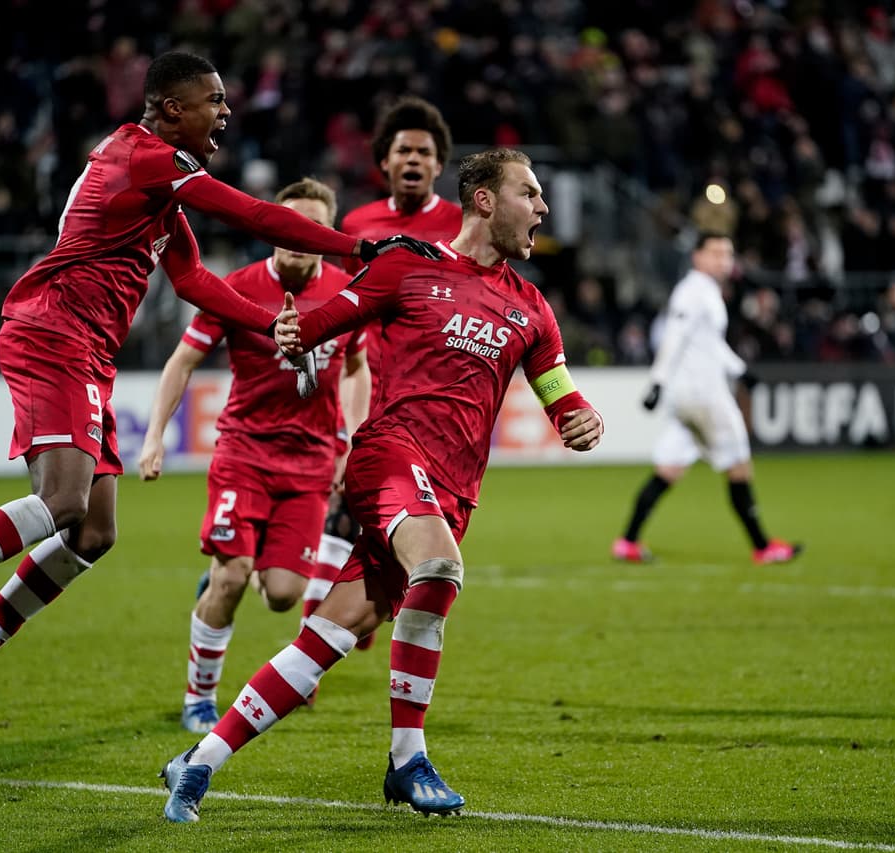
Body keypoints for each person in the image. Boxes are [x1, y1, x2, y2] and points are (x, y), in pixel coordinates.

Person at [0, 51, 437, 757]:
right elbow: (251, 213)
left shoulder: (162, 186)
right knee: (63, 502)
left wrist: (276, 325)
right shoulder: (148, 159)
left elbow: (191, 279)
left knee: (93, 533)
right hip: (53, 331)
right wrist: (358, 246)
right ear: (168, 108)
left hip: (89, 352)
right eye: (212, 101)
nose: (225, 113)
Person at [160, 148, 605, 823]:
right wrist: (286, 325)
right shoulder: (407, 267)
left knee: (330, 634)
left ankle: (200, 761)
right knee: (439, 566)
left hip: (452, 492)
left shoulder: (533, 309)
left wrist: (582, 418)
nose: (542, 206)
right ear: (483, 199)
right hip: (391, 458)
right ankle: (408, 758)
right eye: (529, 192)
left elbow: (559, 394)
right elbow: (315, 325)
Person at [136, 177, 370, 735]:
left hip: (312, 464)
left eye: (309, 227)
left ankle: (228, 568)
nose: (296, 237)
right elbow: (182, 363)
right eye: (286, 225)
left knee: (285, 597)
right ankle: (200, 698)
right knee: (234, 577)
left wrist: (352, 440)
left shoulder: (347, 289)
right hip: (244, 453)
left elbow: (359, 367)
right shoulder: (238, 288)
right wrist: (153, 437)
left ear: (325, 234)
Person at [323, 96, 463, 649]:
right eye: (402, 149)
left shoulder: (457, 224)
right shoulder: (358, 226)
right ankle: (325, 627)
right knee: (345, 510)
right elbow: (342, 305)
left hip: (428, 400)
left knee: (414, 533)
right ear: (384, 161)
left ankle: (350, 616)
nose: (412, 159)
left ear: (437, 165)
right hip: (369, 392)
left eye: (423, 152)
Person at [612, 232, 802, 565]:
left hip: (687, 399)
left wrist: (740, 370)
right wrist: (656, 382)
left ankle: (627, 542)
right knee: (739, 465)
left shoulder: (706, 292)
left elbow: (709, 343)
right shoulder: (693, 292)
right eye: (714, 253)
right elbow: (675, 336)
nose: (722, 260)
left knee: (668, 468)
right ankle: (763, 547)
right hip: (704, 396)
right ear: (697, 257)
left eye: (727, 254)